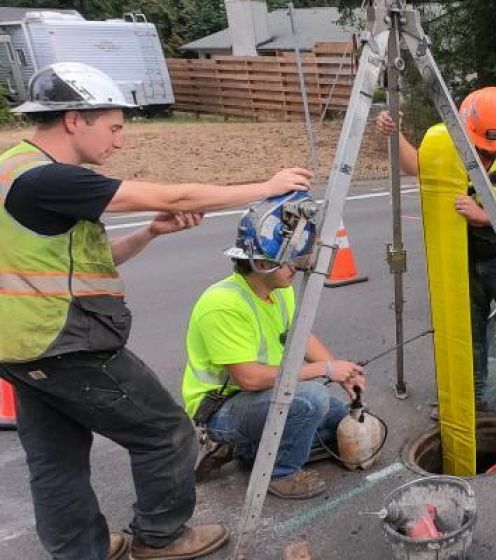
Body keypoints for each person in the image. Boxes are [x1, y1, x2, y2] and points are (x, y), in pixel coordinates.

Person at [0, 62, 310, 560]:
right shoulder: (47, 179)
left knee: (55, 458)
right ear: (75, 119)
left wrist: (150, 233)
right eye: (114, 126)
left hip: (20, 348)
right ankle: (161, 536)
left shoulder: (13, 169)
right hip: (65, 345)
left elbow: (76, 265)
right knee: (165, 432)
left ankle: (84, 550)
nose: (119, 142)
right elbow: (175, 195)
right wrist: (265, 187)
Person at [376, 87, 496, 428]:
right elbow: (416, 166)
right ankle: (472, 398)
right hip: (463, 254)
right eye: (481, 142)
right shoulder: (452, 146)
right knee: (468, 333)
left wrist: (485, 216)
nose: (486, 149)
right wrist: (395, 136)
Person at [181, 204, 366, 499]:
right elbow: (250, 380)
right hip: (222, 408)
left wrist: (342, 372)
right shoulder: (223, 304)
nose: (296, 266)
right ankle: (280, 474)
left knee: (340, 417)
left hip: (266, 396)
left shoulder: (280, 289)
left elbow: (299, 336)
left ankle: (251, 449)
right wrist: (324, 370)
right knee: (311, 401)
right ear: (261, 262)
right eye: (288, 259)